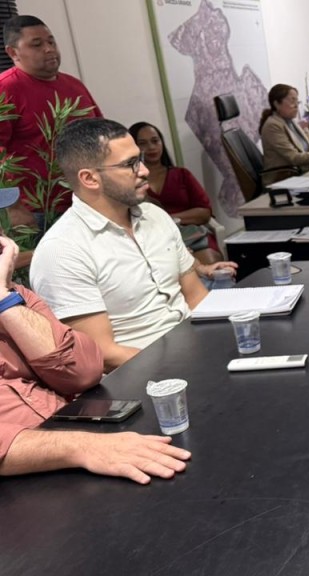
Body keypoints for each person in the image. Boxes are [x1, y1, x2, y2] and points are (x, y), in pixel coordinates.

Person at [30, 119, 236, 372]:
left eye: (140, 160)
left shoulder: (155, 215)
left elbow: (196, 297)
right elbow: (104, 354)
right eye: (130, 164)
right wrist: (182, 368)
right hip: (144, 376)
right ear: (90, 178)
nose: (145, 171)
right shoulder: (62, 251)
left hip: (198, 353)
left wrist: (223, 345)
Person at [0, 228, 190, 484]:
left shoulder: (13, 295)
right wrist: (81, 447)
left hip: (76, 441)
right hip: (37, 474)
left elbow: (83, 372)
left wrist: (5, 301)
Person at [0, 15, 103, 229]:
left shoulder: (74, 85)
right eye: (37, 44)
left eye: (51, 41)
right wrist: (11, 205)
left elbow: (101, 136)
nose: (49, 49)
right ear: (13, 52)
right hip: (37, 209)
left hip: (88, 201)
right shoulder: (6, 89)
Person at [129, 121, 223, 265]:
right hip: (155, 242)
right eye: (143, 143)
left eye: (155, 141)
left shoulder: (182, 175)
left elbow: (204, 213)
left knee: (212, 267)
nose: (151, 147)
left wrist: (169, 218)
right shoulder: (130, 182)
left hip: (192, 236)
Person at [258, 83, 309, 186]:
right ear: (276, 104)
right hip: (283, 179)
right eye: (292, 101)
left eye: (297, 101)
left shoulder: (290, 121)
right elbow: (295, 158)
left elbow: (308, 150)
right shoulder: (273, 126)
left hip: (300, 174)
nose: (296, 105)